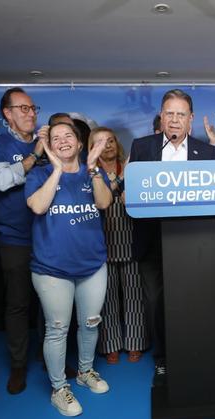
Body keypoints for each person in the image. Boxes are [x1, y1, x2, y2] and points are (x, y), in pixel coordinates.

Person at [127, 89, 215, 386]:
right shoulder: (141, 148)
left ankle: (191, 355)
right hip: (152, 242)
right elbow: (132, 194)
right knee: (156, 304)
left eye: (181, 114)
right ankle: (163, 360)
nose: (174, 120)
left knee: (191, 302)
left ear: (190, 119)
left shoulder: (206, 153)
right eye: (169, 113)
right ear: (161, 117)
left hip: (192, 244)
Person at [25, 121, 112, 416]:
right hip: (51, 269)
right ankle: (59, 388)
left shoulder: (93, 173)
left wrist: (92, 168)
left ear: (79, 142)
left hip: (92, 265)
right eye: (55, 138)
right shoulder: (39, 174)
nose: (62, 141)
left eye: (68, 136)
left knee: (90, 322)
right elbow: (37, 206)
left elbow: (104, 202)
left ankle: (85, 372)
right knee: (58, 329)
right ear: (49, 145)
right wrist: (58, 170)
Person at [0, 87, 43, 394]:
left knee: (50, 304)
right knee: (18, 304)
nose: (30, 113)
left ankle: (51, 360)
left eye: (33, 108)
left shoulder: (49, 142)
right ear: (7, 113)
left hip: (49, 236)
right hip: (15, 238)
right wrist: (34, 156)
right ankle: (18, 365)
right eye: (23, 108)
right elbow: (2, 180)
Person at [92, 127, 148, 364]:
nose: (108, 145)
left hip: (130, 239)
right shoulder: (89, 173)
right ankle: (111, 345)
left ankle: (135, 343)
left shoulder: (132, 169)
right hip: (102, 242)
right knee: (107, 298)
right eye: (101, 142)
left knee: (135, 296)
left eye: (111, 140)